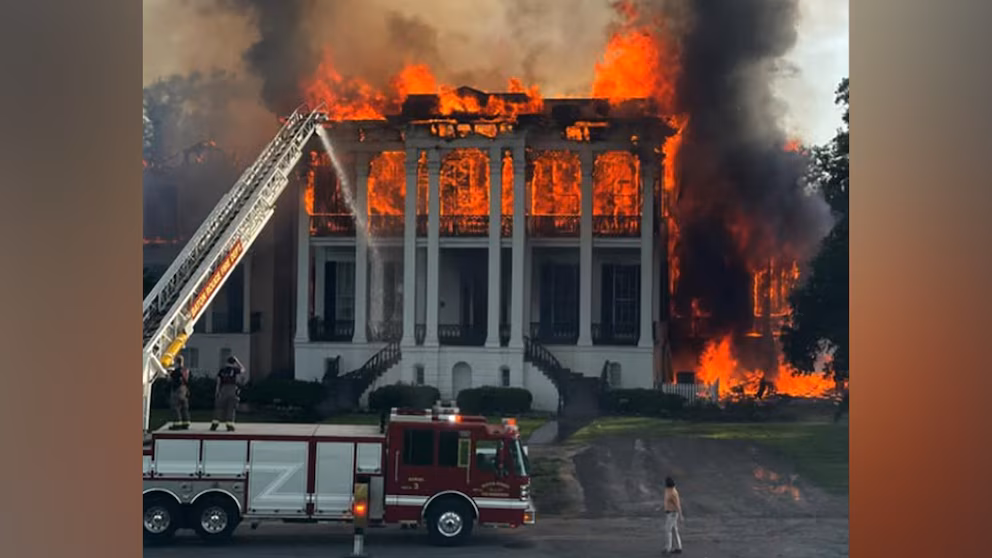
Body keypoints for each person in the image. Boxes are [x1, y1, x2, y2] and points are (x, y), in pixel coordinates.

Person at [210, 355, 244, 432]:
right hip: (232, 389)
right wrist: (237, 361)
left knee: (219, 407)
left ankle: (214, 424)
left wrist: (217, 392)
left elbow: (218, 381)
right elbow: (243, 369)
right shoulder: (234, 370)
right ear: (234, 363)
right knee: (231, 408)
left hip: (223, 389)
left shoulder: (222, 370)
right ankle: (229, 425)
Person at [168, 355, 191, 430]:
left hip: (177, 390)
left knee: (176, 407)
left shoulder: (176, 371)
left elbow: (170, 379)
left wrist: (169, 373)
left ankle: (177, 424)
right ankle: (186, 423)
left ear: (176, 362)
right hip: (184, 389)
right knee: (184, 407)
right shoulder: (186, 370)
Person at [663, 476, 684, 554]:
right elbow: (666, 499)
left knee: (668, 530)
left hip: (672, 514)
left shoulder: (673, 493)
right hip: (669, 513)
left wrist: (681, 515)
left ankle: (668, 548)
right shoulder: (668, 490)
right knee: (674, 530)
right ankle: (678, 547)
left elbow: (678, 505)